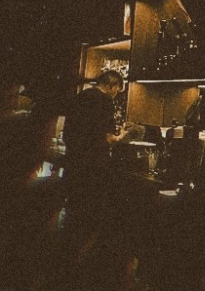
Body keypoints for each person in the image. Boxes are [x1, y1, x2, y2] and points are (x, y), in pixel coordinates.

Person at [59, 70, 132, 290]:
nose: (116, 94)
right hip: (93, 168)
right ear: (112, 86)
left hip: (73, 164)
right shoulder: (104, 101)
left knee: (73, 214)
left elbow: (68, 133)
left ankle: (65, 266)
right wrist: (121, 137)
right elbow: (106, 138)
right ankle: (84, 271)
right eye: (117, 91)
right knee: (91, 218)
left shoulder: (80, 97)